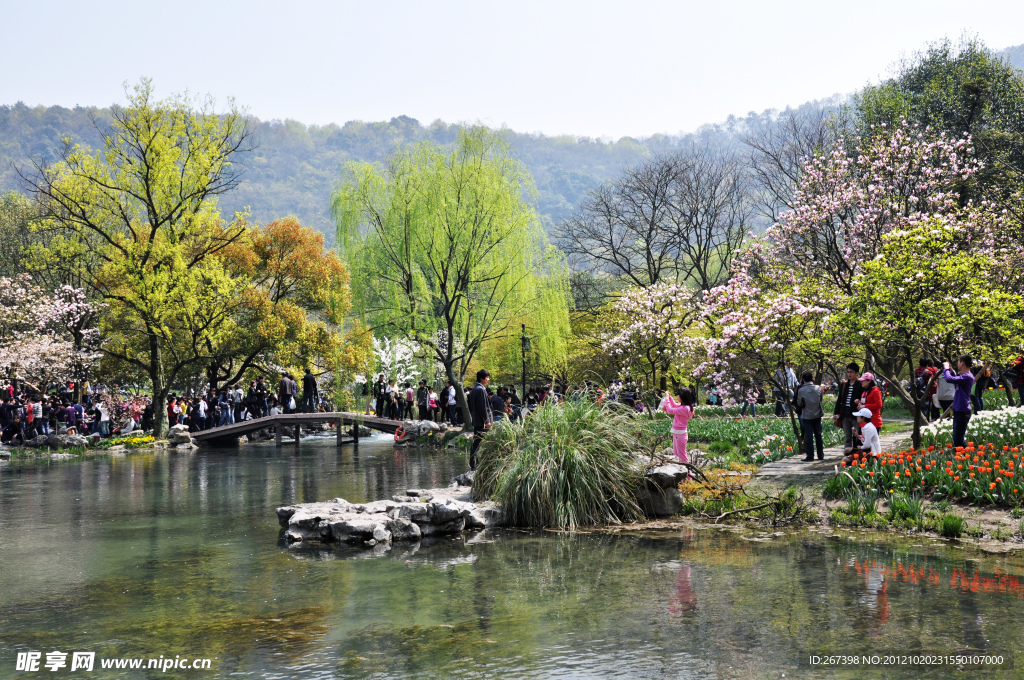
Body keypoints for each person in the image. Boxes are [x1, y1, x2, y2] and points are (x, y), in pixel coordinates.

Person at [943, 355, 975, 449]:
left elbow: (949, 379)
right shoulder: (964, 377)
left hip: (963, 411)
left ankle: (970, 455)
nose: (957, 364)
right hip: (959, 410)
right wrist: (951, 372)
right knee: (956, 439)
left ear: (962, 363)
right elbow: (955, 380)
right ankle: (962, 457)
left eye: (958, 362)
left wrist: (946, 369)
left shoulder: (968, 377)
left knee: (959, 439)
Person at [833, 363, 864, 456]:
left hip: (856, 415)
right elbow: (840, 400)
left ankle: (857, 456)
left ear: (857, 373)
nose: (849, 374)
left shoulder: (860, 385)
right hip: (845, 415)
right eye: (848, 372)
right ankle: (847, 457)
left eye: (852, 372)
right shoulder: (844, 384)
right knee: (847, 437)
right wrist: (836, 413)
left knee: (857, 437)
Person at [468, 369, 493, 471]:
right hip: (482, 422)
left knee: (478, 442)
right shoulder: (480, 389)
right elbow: (482, 407)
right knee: (478, 443)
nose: (488, 379)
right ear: (481, 378)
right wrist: (487, 420)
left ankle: (475, 464)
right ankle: (474, 464)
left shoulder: (476, 388)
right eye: (487, 377)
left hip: (478, 421)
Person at [796, 371, 824, 461]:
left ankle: (810, 456)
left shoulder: (801, 390)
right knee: (818, 435)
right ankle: (820, 455)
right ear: (812, 378)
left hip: (806, 415)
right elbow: (821, 399)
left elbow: (799, 403)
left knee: (809, 436)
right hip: (817, 414)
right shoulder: (818, 388)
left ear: (803, 379)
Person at [662, 387, 695, 464]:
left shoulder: (685, 408)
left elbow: (670, 410)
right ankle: (681, 474)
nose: (677, 396)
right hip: (677, 434)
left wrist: (667, 398)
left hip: (680, 435)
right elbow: (674, 405)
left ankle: (689, 475)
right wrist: (670, 398)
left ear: (682, 396)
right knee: (677, 456)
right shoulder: (683, 406)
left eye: (678, 395)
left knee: (683, 457)